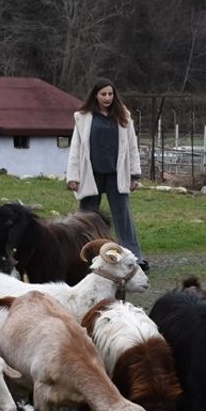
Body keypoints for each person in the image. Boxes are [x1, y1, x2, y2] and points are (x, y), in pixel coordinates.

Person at [66, 79, 148, 272]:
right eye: (103, 94)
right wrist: (73, 176)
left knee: (123, 217)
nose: (107, 98)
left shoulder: (123, 116)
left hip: (116, 174)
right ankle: (85, 256)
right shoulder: (83, 117)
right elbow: (76, 148)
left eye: (110, 94)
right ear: (96, 95)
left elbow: (132, 147)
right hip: (91, 174)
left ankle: (134, 256)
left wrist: (134, 175)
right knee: (87, 217)